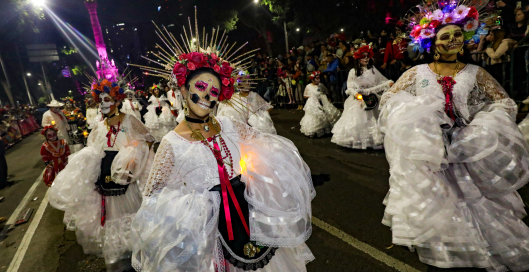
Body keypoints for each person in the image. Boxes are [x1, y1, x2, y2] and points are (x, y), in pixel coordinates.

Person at [129, 24, 315, 271]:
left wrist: (260, 181)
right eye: (200, 88)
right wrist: (200, 205)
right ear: (184, 90)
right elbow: (153, 199)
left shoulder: (229, 125)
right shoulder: (171, 143)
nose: (207, 96)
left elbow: (267, 146)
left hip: (248, 217)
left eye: (214, 91)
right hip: (209, 233)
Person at [378, 0, 529, 271]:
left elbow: (504, 103)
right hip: (433, 153)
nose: (452, 40)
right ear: (432, 40)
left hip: (466, 149)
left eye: (457, 35)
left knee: (474, 203)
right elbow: (389, 101)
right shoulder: (417, 73)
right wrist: (417, 116)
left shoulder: (475, 73)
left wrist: (485, 125)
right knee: (440, 205)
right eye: (445, 35)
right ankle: (445, 255)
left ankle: (477, 254)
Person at [49, 79, 155, 272]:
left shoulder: (129, 120)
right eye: (100, 100)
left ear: (116, 100)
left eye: (107, 99)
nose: (103, 103)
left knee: (135, 222)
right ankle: (122, 261)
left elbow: (149, 140)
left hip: (128, 182)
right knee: (113, 225)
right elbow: (93, 149)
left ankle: (141, 259)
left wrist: (133, 156)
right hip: (105, 184)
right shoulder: (98, 126)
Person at [331, 46, 393, 149]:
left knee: (375, 118)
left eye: (367, 57)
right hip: (359, 99)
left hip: (373, 98)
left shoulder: (373, 69)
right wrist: (357, 95)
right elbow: (350, 87)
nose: (366, 59)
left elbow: (382, 81)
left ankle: (375, 140)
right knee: (360, 119)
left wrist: (388, 84)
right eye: (363, 57)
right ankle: (359, 140)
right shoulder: (353, 71)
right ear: (358, 59)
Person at [300, 71, 340, 137]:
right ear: (312, 79)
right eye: (316, 79)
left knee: (323, 115)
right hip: (312, 103)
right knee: (314, 116)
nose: (318, 80)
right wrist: (311, 96)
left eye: (319, 78)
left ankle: (322, 130)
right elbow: (304, 95)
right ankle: (313, 131)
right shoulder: (308, 86)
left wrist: (324, 97)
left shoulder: (321, 85)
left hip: (321, 102)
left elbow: (326, 92)